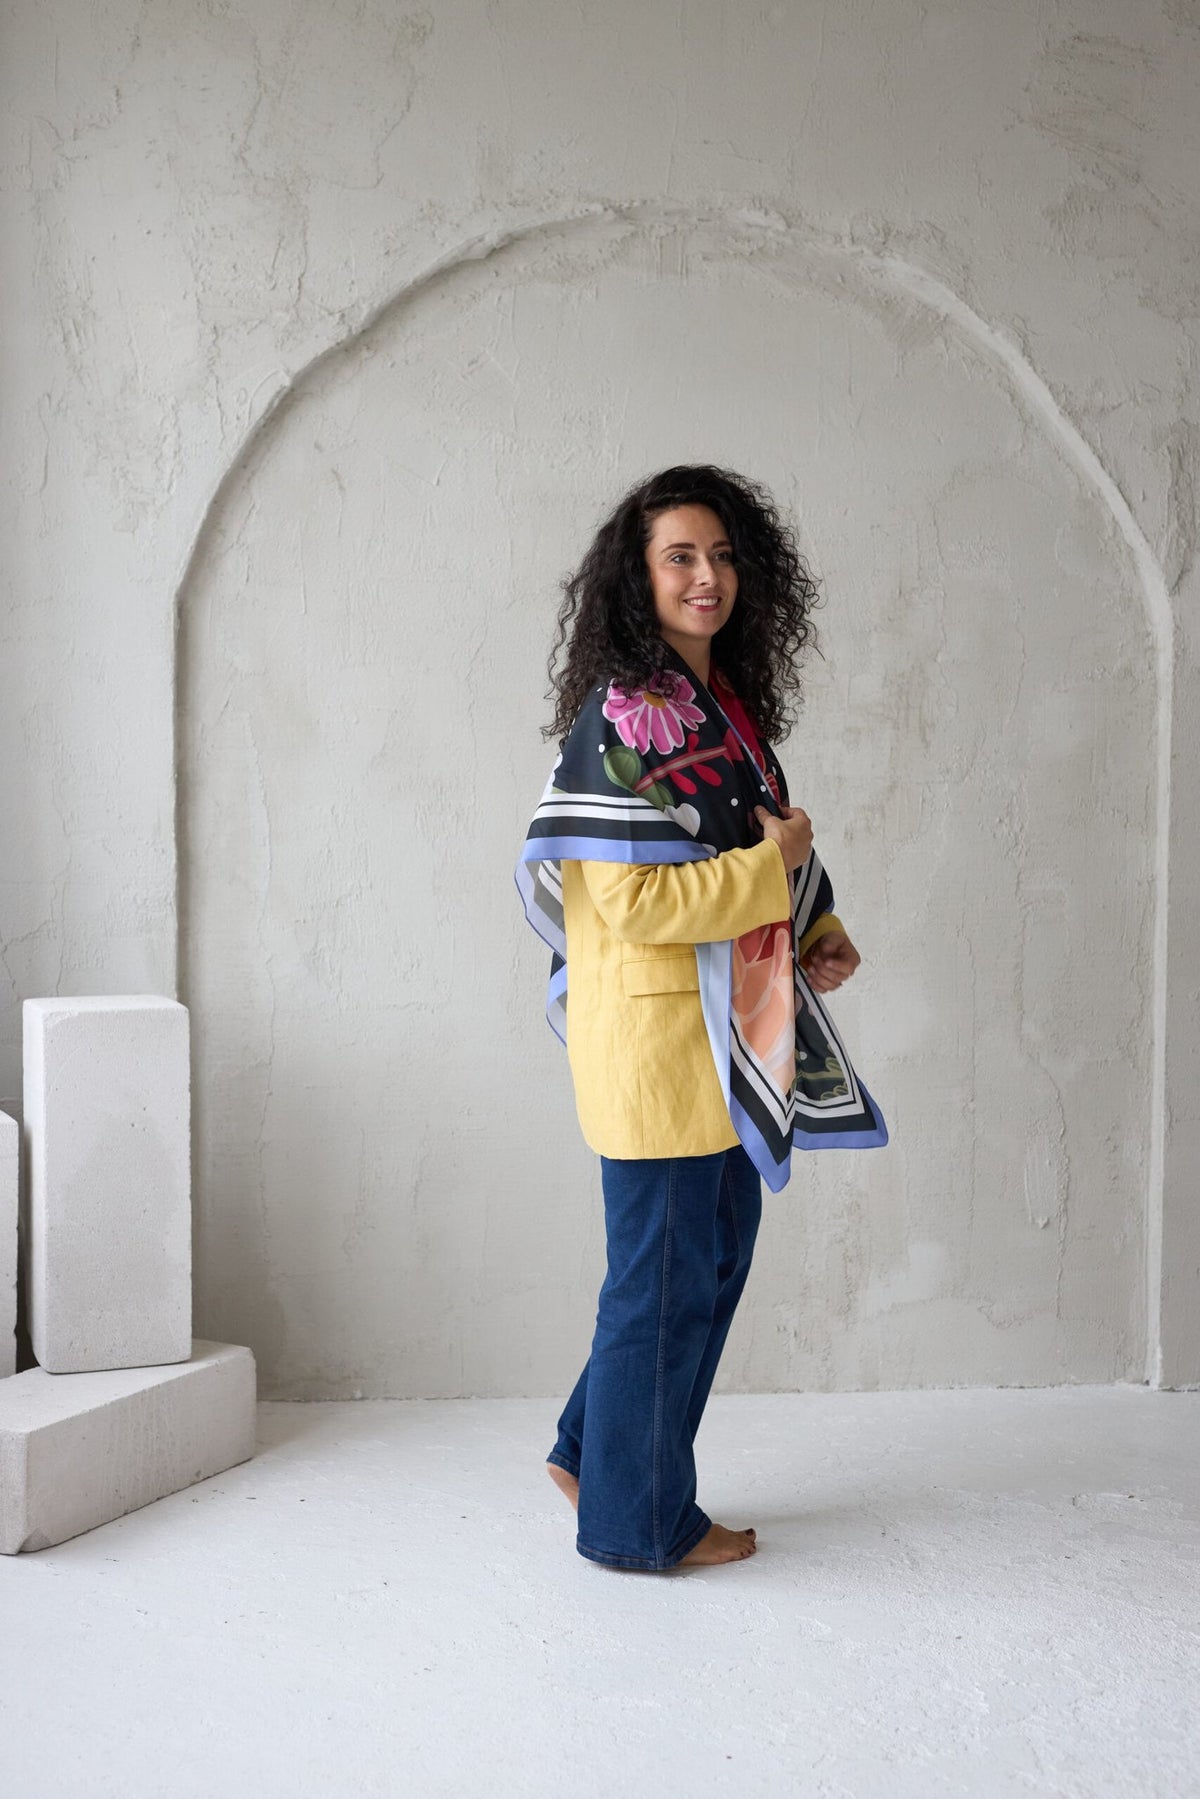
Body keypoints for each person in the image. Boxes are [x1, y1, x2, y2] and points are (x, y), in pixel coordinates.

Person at [515, 465, 884, 1572]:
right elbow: (631, 902)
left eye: (722, 555)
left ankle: (593, 1446)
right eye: (681, 556)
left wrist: (817, 921)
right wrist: (772, 876)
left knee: (700, 1263)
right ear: (638, 577)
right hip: (660, 1043)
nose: (707, 576)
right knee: (665, 1282)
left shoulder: (719, 707)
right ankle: (637, 1523)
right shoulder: (618, 719)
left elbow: (753, 843)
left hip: (728, 1040)